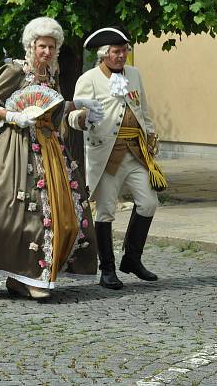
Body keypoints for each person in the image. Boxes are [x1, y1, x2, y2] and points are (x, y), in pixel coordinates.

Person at [0, 17, 101, 299]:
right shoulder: (16, 70)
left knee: (60, 212)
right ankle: (27, 276)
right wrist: (13, 115)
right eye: (42, 46)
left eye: (52, 47)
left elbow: (53, 111)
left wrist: (77, 110)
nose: (47, 52)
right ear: (31, 46)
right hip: (15, 147)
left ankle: (29, 276)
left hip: (50, 148)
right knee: (24, 212)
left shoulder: (51, 75)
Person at [70, 26, 165, 290]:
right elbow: (72, 116)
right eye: (116, 52)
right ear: (104, 54)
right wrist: (82, 117)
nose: (121, 56)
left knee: (148, 203)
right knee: (105, 211)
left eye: (124, 51)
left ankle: (132, 259)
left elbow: (142, 109)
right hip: (106, 154)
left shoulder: (134, 74)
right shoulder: (88, 79)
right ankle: (107, 269)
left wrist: (151, 135)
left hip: (136, 152)